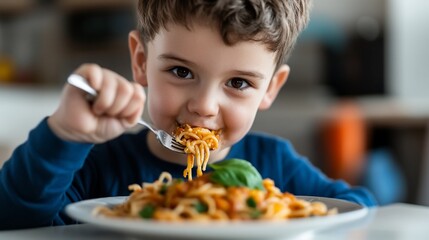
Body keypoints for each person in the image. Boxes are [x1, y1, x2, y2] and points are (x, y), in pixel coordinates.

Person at [0, 0, 376, 230]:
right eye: (181, 72)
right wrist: (64, 135)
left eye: (239, 83)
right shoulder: (100, 166)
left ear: (271, 89)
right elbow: (13, 219)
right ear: (141, 61)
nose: (205, 106)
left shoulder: (277, 166)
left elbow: (362, 213)